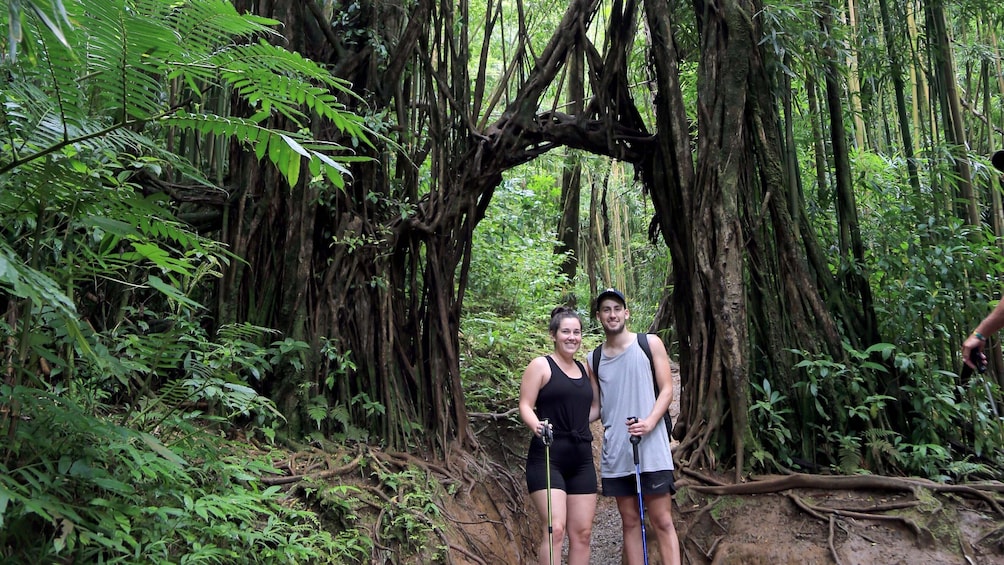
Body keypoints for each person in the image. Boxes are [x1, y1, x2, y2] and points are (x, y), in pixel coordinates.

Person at [587, 288, 681, 565]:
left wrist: (650, 422)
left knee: (662, 519)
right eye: (606, 310)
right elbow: (597, 407)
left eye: (617, 308)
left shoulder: (648, 344)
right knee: (629, 521)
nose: (612, 314)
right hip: (617, 451)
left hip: (651, 448)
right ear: (599, 317)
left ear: (626, 313)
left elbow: (666, 390)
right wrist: (566, 419)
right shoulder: (593, 359)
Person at [519, 306, 598, 565]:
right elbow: (525, 406)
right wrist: (538, 426)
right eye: (565, 331)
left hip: (582, 459)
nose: (572, 337)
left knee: (583, 534)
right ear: (553, 334)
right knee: (555, 529)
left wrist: (576, 422)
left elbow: (595, 407)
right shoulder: (541, 366)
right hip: (548, 456)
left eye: (576, 332)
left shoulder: (585, 370)